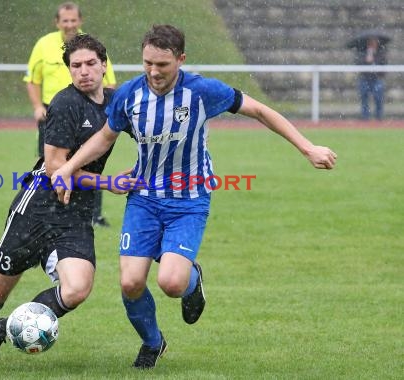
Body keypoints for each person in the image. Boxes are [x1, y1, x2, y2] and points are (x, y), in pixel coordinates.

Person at [51, 24, 338, 369]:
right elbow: (105, 137)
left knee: (171, 283)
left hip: (189, 200)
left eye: (162, 65)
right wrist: (68, 168)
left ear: (181, 59)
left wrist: (308, 148)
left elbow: (260, 111)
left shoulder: (202, 91)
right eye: (147, 64)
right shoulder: (129, 94)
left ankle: (192, 280)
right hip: (143, 197)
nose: (154, 72)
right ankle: (152, 343)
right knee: (130, 282)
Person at [0, 33, 132, 362]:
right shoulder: (65, 104)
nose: (83, 71)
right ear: (68, 70)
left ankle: (3, 326)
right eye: (75, 65)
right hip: (37, 209)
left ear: (104, 65)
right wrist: (109, 181)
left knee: (77, 288)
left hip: (75, 216)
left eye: (90, 64)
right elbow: (55, 169)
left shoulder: (115, 102)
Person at [24, 1, 116, 227]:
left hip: (89, 109)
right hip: (53, 112)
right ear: (57, 22)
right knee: (50, 163)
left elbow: (110, 81)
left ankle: (93, 214)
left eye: (73, 20)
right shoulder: (44, 45)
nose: (69, 24)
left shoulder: (91, 46)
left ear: (80, 21)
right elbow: (32, 79)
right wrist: (37, 106)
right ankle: (55, 207)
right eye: (65, 20)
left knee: (93, 160)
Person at [356, 37, 387, 120]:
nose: (372, 45)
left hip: (377, 79)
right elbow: (359, 66)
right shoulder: (362, 53)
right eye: (370, 43)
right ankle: (365, 118)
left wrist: (374, 60)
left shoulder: (381, 53)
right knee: (364, 99)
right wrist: (367, 59)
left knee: (378, 99)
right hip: (365, 79)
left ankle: (378, 117)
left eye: (373, 43)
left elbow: (383, 67)